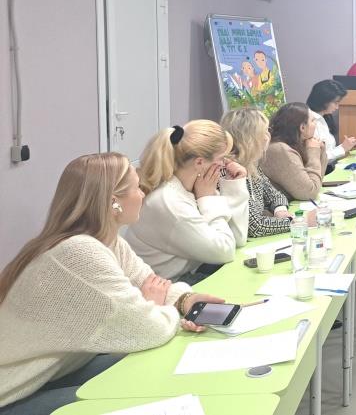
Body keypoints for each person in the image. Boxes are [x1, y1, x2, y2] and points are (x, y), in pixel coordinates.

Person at [0, 153, 222, 414]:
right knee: (134, 397)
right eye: (137, 187)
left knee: (147, 372)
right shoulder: (80, 252)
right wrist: (156, 306)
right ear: (113, 202)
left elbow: (149, 282)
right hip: (12, 394)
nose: (143, 194)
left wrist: (185, 300)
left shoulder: (106, 241)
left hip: (51, 373)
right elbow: (149, 329)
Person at [123, 121, 249, 284]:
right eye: (221, 158)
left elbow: (237, 238)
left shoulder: (196, 187)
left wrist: (233, 186)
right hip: (165, 287)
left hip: (185, 276)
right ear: (199, 163)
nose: (226, 164)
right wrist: (208, 199)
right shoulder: (168, 201)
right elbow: (225, 251)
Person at [221, 108, 294, 238]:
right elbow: (255, 227)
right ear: (248, 138)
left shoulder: (251, 164)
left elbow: (275, 195)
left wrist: (280, 210)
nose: (267, 137)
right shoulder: (227, 171)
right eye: (263, 132)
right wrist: (298, 223)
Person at [262, 102, 328, 201]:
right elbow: (309, 193)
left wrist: (320, 151)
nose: (315, 124)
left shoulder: (296, 144)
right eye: (312, 121)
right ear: (302, 127)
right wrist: (314, 152)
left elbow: (317, 183)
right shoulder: (280, 150)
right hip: (277, 209)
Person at [306, 79, 356, 163]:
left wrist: (346, 147)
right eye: (336, 103)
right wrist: (343, 148)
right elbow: (316, 159)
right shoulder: (309, 121)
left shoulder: (324, 118)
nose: (337, 107)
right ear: (324, 100)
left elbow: (327, 152)